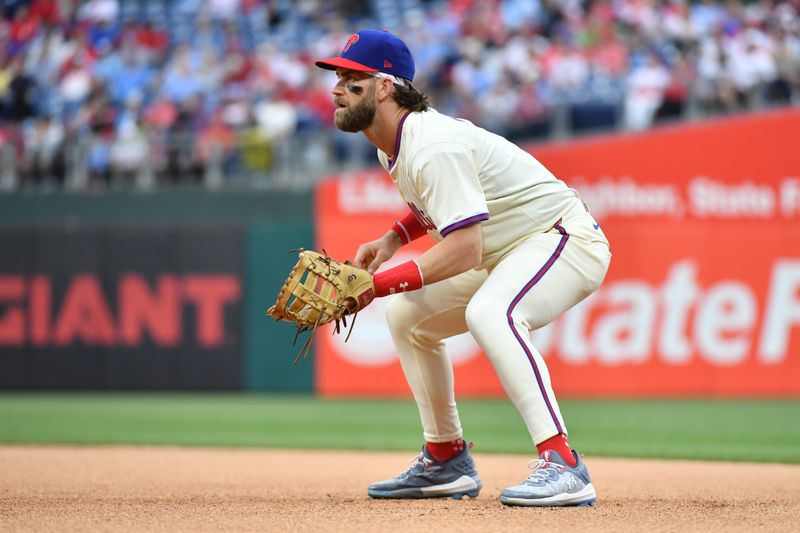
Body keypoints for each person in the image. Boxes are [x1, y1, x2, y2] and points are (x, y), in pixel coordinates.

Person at [314, 29, 611, 507]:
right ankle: (445, 457)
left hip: (559, 238)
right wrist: (393, 238)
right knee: (407, 318)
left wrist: (374, 286)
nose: (336, 88)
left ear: (385, 86)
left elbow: (465, 248)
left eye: (351, 78)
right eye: (337, 77)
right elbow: (449, 203)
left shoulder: (431, 145)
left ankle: (564, 464)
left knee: (492, 313)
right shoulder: (394, 141)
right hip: (508, 248)